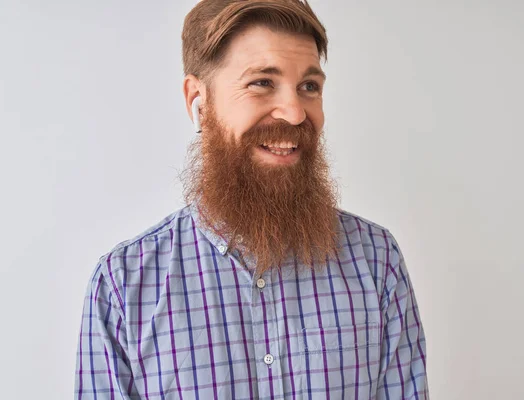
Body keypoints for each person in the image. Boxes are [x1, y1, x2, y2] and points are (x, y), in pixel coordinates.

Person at [74, 1, 429, 399]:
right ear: (198, 100)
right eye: (262, 82)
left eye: (309, 86)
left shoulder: (377, 262)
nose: (295, 113)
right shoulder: (124, 287)